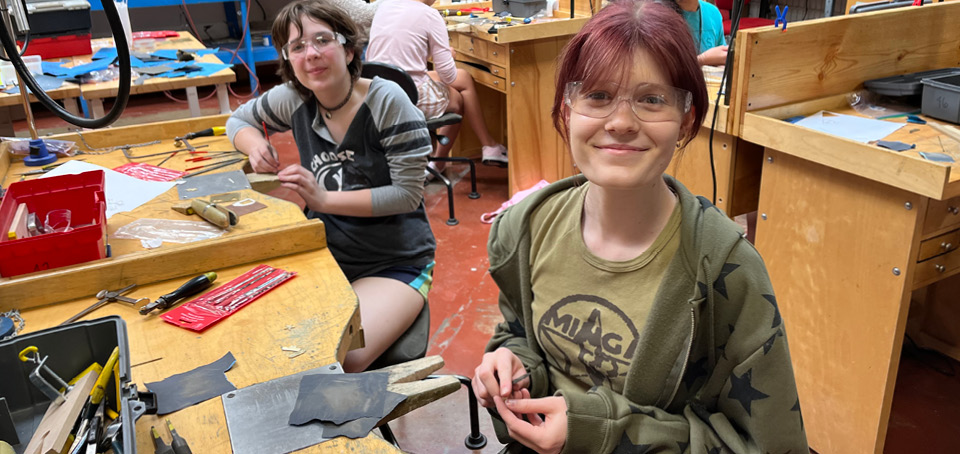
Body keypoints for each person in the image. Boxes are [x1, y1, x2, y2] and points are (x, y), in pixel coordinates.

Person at [471, 1, 808, 453]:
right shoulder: (526, 229)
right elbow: (520, 332)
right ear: (567, 109)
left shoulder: (724, 271)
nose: (621, 123)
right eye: (597, 95)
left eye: (652, 100)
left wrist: (603, 433)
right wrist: (516, 368)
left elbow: (762, 444)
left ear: (686, 119)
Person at [227, 0, 436, 373]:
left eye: (322, 40)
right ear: (288, 59)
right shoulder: (295, 100)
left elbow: (407, 196)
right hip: (320, 252)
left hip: (393, 262)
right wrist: (255, 143)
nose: (311, 55)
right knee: (259, 335)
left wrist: (323, 198)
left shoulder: (387, 101)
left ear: (348, 48)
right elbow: (239, 120)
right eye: (297, 46)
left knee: (340, 357)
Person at [366, 0, 509, 171]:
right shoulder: (430, 15)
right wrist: (449, 55)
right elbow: (448, 76)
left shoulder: (385, 6)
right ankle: (439, 162)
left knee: (464, 78)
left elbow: (405, 53)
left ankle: (489, 146)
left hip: (379, 92)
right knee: (457, 99)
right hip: (408, 95)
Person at [674, 0, 728, 66]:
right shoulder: (660, 15)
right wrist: (702, 60)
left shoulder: (713, 12)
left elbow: (723, 60)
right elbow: (663, 71)